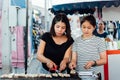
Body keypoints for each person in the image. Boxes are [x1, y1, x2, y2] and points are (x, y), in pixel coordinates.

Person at [69, 15, 107, 79]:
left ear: (94, 27)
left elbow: (104, 60)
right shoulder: (76, 41)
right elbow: (74, 59)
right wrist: (72, 63)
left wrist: (93, 63)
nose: (86, 30)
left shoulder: (99, 41)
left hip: (94, 76)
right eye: (84, 27)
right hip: (79, 76)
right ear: (81, 26)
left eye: (89, 28)